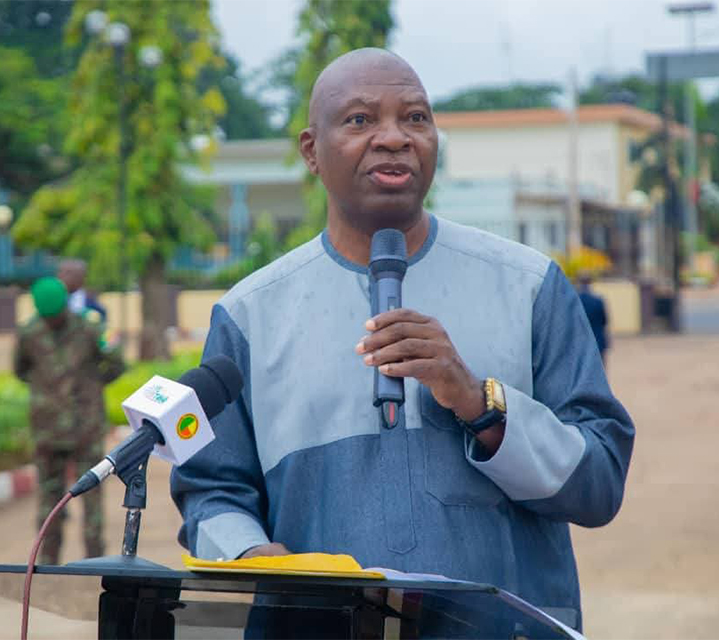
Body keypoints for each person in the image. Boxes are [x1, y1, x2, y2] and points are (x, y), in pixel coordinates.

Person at [171, 49, 634, 635]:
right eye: (360, 120)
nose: (394, 138)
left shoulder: (529, 285)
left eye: (415, 117)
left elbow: (599, 484)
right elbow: (211, 492)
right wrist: (251, 555)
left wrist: (480, 403)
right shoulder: (249, 315)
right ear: (311, 151)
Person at [14, 276, 125, 565]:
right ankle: (49, 562)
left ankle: (92, 561)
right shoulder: (33, 333)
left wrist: (91, 385)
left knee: (89, 500)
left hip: (78, 428)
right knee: (51, 500)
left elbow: (116, 362)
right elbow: (20, 369)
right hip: (55, 431)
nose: (52, 321)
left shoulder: (89, 327)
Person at [58, 259, 108, 323]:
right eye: (63, 272)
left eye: (72, 274)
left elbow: (101, 319)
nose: (67, 277)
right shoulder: (52, 298)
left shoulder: (90, 301)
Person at [577, 274, 609, 365]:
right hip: (598, 340)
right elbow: (604, 321)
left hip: (580, 342)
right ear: (590, 282)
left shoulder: (574, 301)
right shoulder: (598, 300)